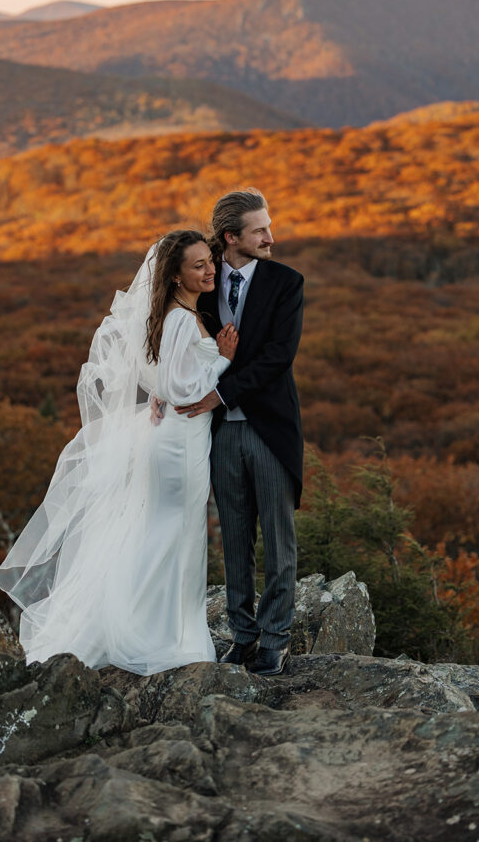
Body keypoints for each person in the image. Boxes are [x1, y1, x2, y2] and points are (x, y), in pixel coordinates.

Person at [0, 230, 238, 675]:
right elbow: (179, 388)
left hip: (169, 438)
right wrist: (223, 358)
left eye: (210, 261)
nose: (210, 270)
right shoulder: (183, 319)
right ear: (176, 276)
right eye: (198, 265)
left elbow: (158, 378)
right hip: (181, 442)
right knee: (175, 534)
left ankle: (152, 625)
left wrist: (171, 385)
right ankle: (162, 636)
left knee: (162, 531)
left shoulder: (165, 314)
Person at [176, 189, 304, 677]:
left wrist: (221, 394)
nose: (271, 237)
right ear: (232, 237)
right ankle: (242, 635)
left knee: (277, 538)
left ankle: (275, 640)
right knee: (233, 538)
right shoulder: (200, 286)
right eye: (259, 231)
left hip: (270, 429)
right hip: (217, 437)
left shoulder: (287, 283)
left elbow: (278, 357)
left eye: (268, 228)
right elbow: (178, 346)